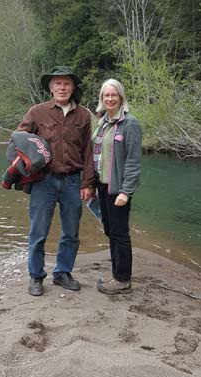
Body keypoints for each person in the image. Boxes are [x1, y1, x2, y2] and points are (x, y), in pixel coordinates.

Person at [18, 66, 95, 296]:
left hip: (73, 181)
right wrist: (25, 169)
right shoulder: (36, 112)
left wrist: (87, 183)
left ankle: (63, 273)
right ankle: (36, 277)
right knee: (38, 231)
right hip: (44, 181)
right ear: (50, 88)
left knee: (71, 232)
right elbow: (19, 140)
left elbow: (89, 151)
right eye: (57, 83)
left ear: (73, 88)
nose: (62, 87)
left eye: (67, 83)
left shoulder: (83, 115)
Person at [92, 79, 142, 295]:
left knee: (120, 233)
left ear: (121, 97)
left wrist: (126, 191)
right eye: (106, 95)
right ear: (102, 99)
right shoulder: (103, 122)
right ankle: (117, 274)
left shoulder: (129, 123)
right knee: (111, 231)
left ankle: (123, 280)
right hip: (103, 187)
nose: (110, 99)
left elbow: (133, 161)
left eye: (114, 95)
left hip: (118, 190)